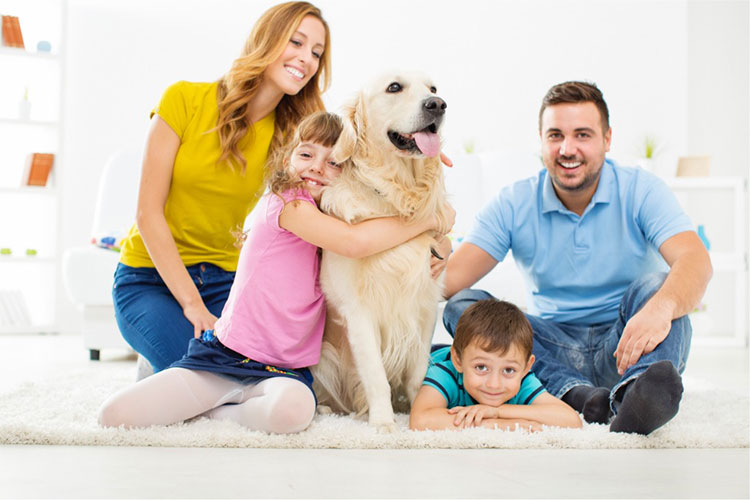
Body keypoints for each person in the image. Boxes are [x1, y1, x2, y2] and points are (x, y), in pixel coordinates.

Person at [99, 111, 455, 433]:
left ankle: (219, 412)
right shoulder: (288, 204)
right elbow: (355, 243)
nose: (317, 167)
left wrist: (422, 160)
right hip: (232, 356)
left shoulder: (334, 213)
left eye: (333, 162)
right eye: (306, 155)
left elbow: (379, 220)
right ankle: (209, 397)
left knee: (295, 413)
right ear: (288, 158)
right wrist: (432, 218)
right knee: (114, 416)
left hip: (285, 370)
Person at [441, 81, 712, 435]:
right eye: (556, 135)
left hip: (629, 341)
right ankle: (580, 396)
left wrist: (659, 309)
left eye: (582, 135)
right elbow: (449, 283)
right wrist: (426, 221)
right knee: (464, 307)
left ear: (607, 139)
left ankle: (636, 396)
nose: (568, 149)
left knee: (663, 289)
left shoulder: (641, 190)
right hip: (548, 347)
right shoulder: (514, 201)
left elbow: (695, 260)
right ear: (541, 140)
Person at [113, 2, 333, 375]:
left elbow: (343, 162)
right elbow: (147, 215)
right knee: (200, 371)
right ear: (267, 39)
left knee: (269, 376)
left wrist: (414, 153)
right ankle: (158, 357)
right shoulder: (183, 100)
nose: (306, 59)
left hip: (227, 280)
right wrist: (193, 306)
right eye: (296, 42)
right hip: (148, 277)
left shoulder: (291, 138)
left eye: (316, 52)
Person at [410, 299, 581, 431]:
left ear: (526, 368)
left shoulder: (523, 380)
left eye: (508, 370)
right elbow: (421, 420)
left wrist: (499, 411)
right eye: (481, 368)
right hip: (422, 356)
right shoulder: (445, 371)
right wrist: (496, 424)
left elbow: (571, 420)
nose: (494, 384)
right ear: (458, 361)